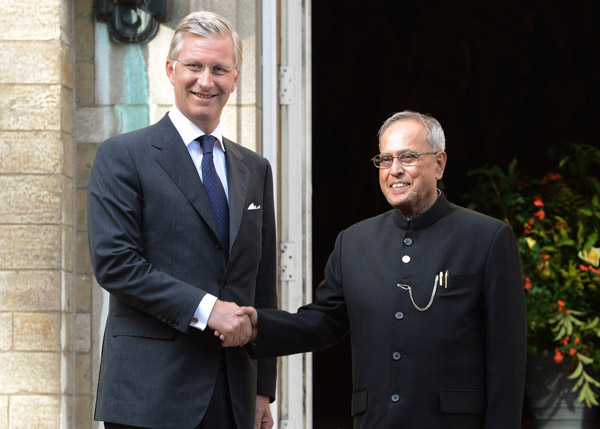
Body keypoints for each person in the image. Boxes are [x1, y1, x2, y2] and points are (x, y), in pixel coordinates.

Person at [234, 111, 527, 428]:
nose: (395, 170)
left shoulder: (487, 238)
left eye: (408, 157)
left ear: (439, 164)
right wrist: (258, 325)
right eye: (385, 160)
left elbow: (506, 361)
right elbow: (322, 322)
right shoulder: (354, 242)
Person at [87, 11, 277, 429]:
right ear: (171, 70)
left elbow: (260, 282)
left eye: (219, 69)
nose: (206, 80)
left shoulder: (256, 169)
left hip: (234, 396)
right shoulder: (123, 156)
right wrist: (208, 310)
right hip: (150, 395)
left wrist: (263, 387)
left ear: (236, 77)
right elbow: (116, 263)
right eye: (194, 66)